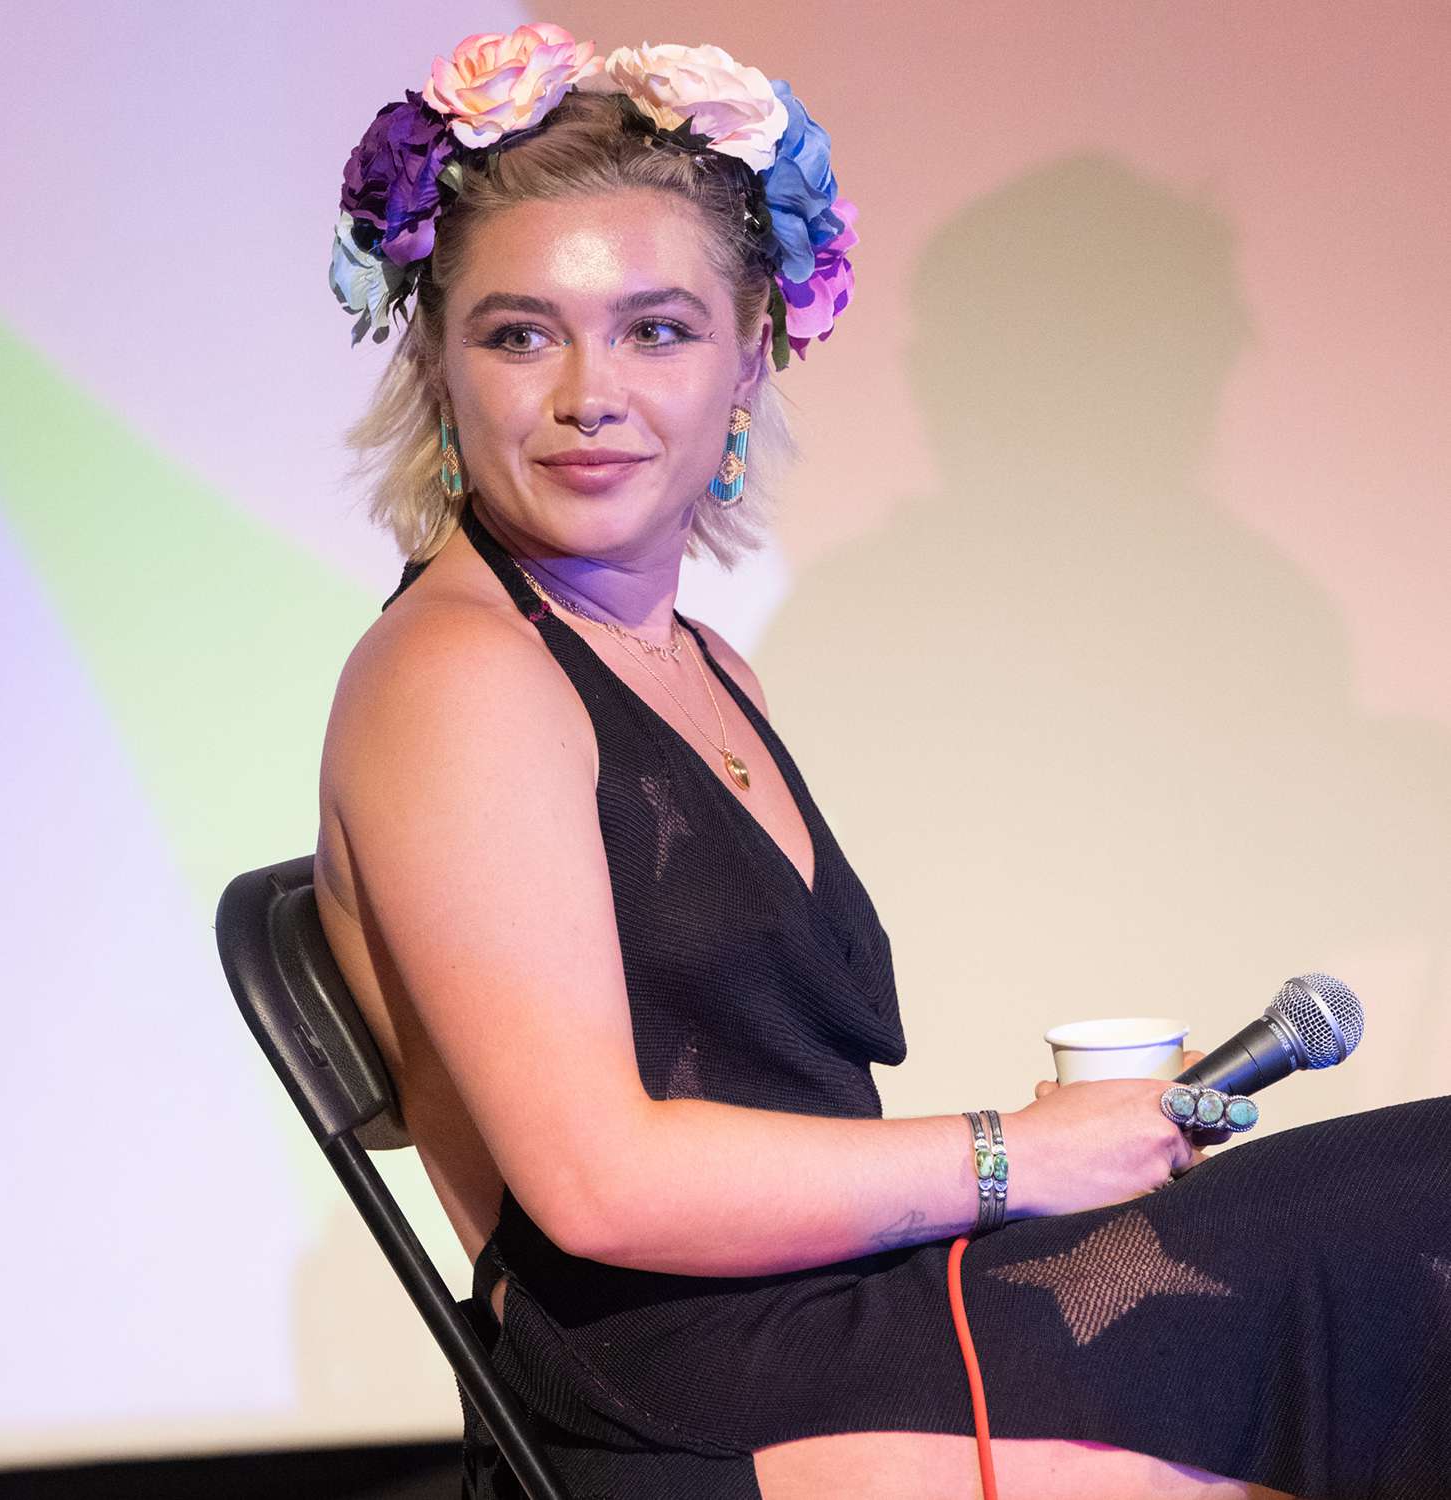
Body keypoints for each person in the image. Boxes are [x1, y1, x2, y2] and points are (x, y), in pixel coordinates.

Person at [311, 25, 1451, 1500]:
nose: (590, 391)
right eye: (519, 333)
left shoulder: (705, 660)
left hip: (846, 1305)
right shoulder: (459, 676)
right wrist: (1016, 1159)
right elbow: (598, 1181)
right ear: (440, 368)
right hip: (696, 1385)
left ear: (749, 355)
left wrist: (1046, 1156)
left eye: (657, 329)